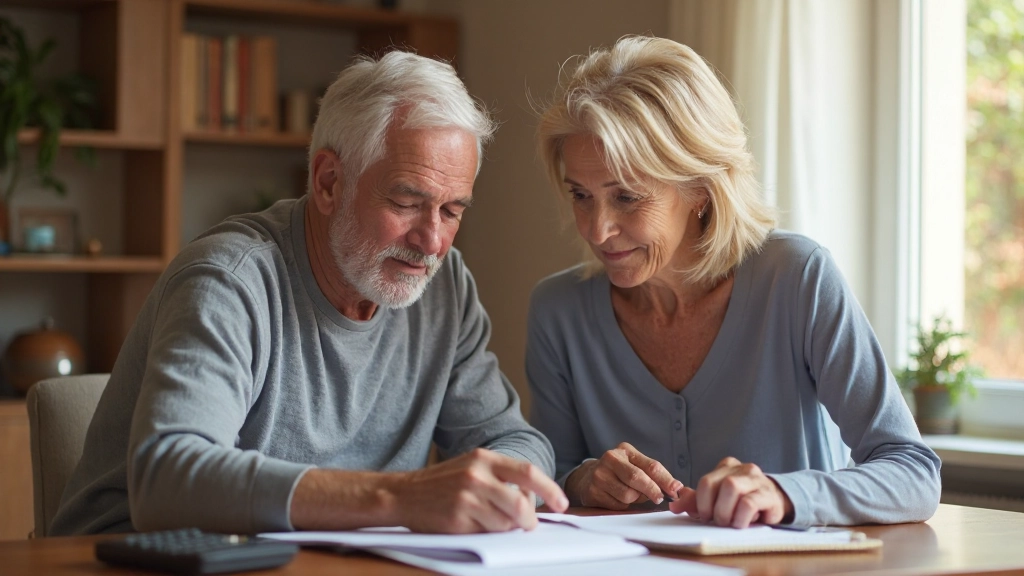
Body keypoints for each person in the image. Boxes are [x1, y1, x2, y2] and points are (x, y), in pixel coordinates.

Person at [52, 50, 568, 536]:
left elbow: (513, 442)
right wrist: (401, 497)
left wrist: (505, 489)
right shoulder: (230, 279)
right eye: (407, 202)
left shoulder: (445, 287)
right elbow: (168, 480)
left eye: (453, 211)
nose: (431, 241)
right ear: (328, 182)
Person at [527, 35, 940, 528]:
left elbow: (914, 474)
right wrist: (584, 479)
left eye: (627, 197)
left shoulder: (797, 278)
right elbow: (551, 474)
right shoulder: (558, 310)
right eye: (581, 195)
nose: (597, 229)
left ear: (699, 187)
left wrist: (782, 494)